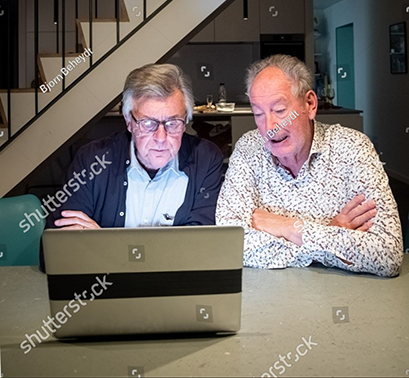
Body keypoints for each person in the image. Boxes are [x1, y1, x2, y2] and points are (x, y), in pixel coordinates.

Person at [216, 54, 403, 277]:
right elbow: (230, 243)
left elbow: (387, 255)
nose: (269, 126)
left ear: (310, 104)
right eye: (258, 113)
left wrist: (287, 227)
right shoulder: (248, 148)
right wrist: (329, 238)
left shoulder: (353, 148)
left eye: (279, 110)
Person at [45, 63, 223, 230]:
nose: (161, 137)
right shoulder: (92, 160)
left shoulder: (205, 159)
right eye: (147, 123)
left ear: (185, 122)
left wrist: (100, 243)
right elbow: (59, 245)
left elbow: (202, 248)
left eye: (173, 123)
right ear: (129, 121)